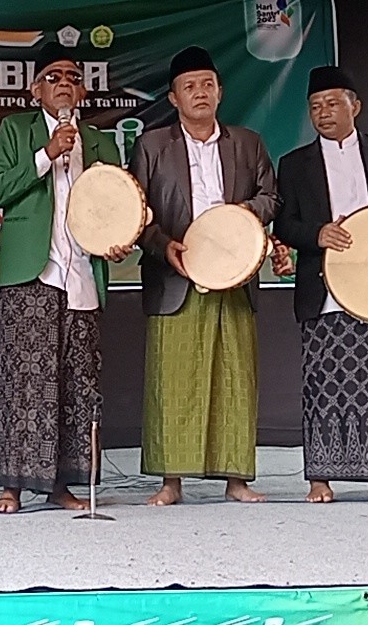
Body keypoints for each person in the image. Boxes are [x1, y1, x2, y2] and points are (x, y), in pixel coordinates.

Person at [0, 42, 130, 513]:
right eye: (53, 77)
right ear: (35, 90)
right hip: (32, 272)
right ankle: (13, 484)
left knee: (76, 384)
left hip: (82, 276)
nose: (64, 83)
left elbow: (116, 206)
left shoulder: (101, 142)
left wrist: (119, 240)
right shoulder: (17, 130)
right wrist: (46, 154)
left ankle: (62, 485)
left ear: (82, 90)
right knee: (25, 381)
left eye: (72, 77)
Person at [130, 46, 279, 506]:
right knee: (174, 377)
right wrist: (163, 246)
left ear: (220, 92)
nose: (200, 93)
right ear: (174, 98)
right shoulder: (152, 145)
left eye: (207, 85)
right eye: (189, 86)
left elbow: (271, 197)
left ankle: (236, 480)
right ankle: (171, 481)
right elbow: (136, 212)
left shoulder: (247, 143)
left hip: (234, 273)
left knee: (235, 374)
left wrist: (239, 216)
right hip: (176, 274)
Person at [273, 65, 368, 504]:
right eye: (315, 106)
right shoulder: (294, 164)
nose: (323, 113)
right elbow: (285, 224)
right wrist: (318, 233)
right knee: (323, 383)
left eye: (333, 103)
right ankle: (321, 478)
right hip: (325, 288)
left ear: (355, 106)